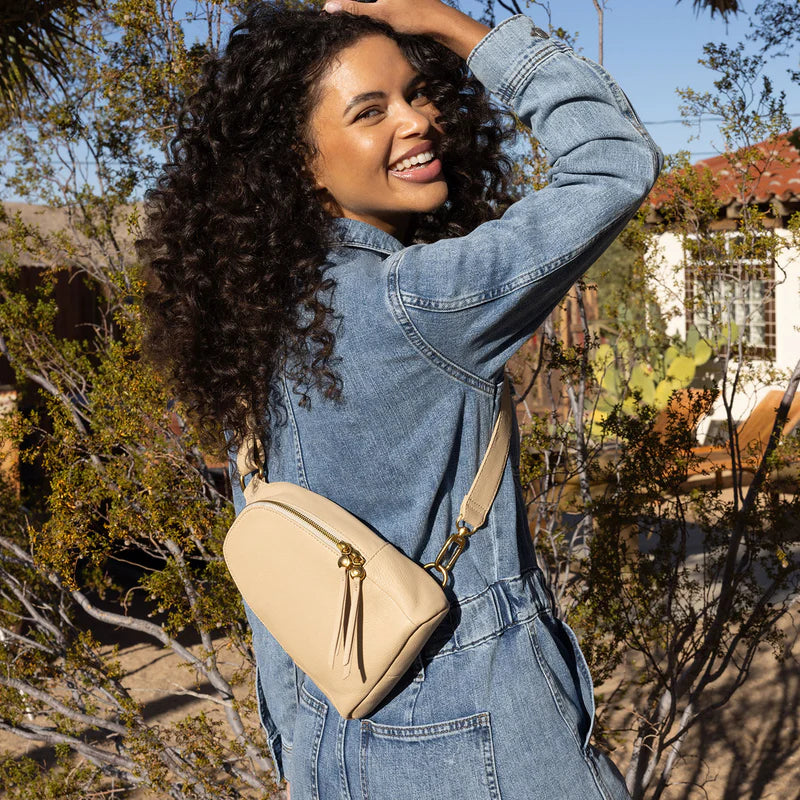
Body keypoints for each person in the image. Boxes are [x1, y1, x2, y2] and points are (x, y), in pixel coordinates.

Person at [140, 0, 663, 797]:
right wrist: (455, 26)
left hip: (324, 730)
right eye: (370, 110)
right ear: (299, 161)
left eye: (419, 93)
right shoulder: (415, 302)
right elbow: (613, 161)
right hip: (479, 735)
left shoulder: (256, 309)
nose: (418, 121)